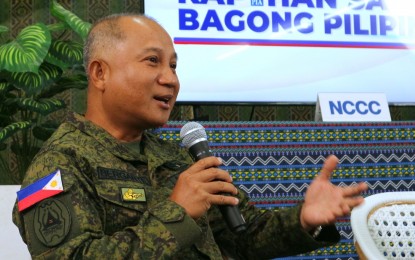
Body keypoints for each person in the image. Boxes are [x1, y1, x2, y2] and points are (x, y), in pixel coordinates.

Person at [12, 13, 368, 259]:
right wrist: (177, 213)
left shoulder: (179, 157)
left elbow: (245, 238)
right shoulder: (58, 165)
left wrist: (303, 218)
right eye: (153, 61)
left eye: (174, 65)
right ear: (100, 73)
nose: (170, 79)